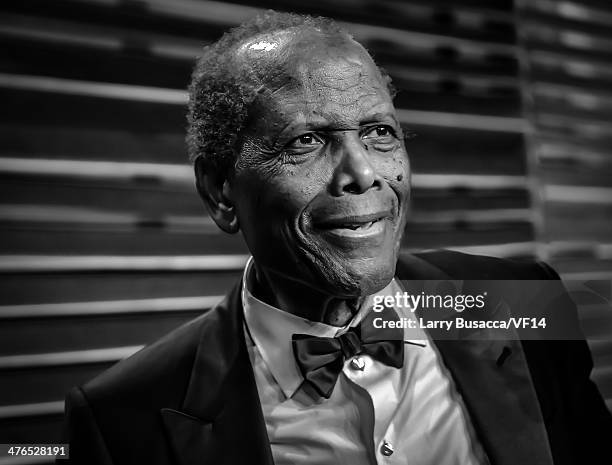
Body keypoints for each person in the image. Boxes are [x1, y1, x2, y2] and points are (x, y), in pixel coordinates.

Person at [61, 11, 612, 465]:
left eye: (378, 133)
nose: (364, 173)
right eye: (305, 140)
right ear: (219, 192)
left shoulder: (522, 300)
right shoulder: (121, 420)